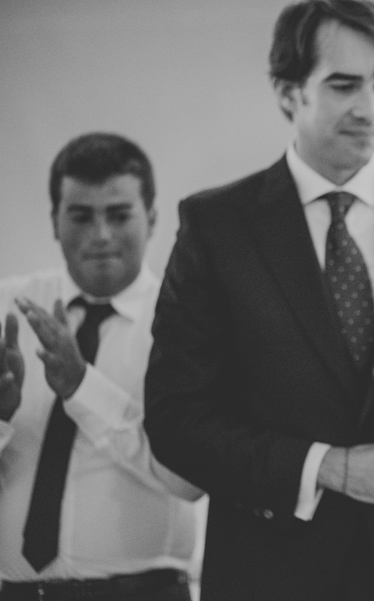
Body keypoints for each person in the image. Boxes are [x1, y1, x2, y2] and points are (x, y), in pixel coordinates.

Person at [143, 1, 374, 600]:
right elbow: (175, 422)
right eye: (343, 86)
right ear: (288, 93)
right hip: (268, 570)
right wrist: (327, 467)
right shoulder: (217, 226)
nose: (369, 109)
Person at [0, 133, 202, 601]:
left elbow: (190, 477)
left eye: (118, 214)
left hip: (143, 592)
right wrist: (1, 418)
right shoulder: (8, 308)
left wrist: (80, 386)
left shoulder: (187, 320)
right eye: (81, 216)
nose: (101, 235)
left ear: (152, 218)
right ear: (54, 221)